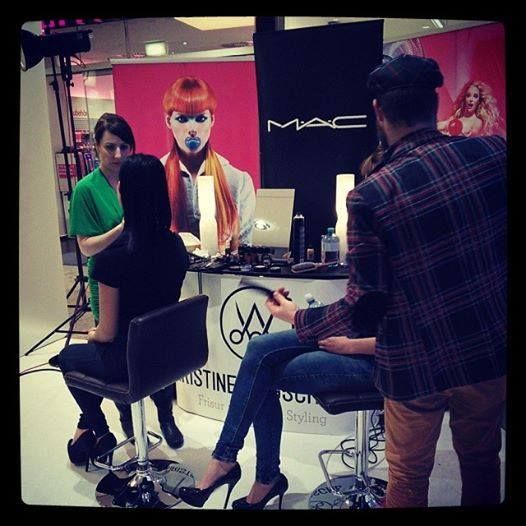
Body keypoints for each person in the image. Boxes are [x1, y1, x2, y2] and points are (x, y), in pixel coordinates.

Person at [184, 54, 507, 510]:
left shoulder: (374, 194)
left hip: (413, 366)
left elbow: (364, 307)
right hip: (484, 355)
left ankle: (241, 469)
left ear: (378, 112)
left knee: (408, 481)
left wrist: (299, 317)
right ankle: (246, 470)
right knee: (482, 465)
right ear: (435, 102)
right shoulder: (494, 156)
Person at [57, 154, 189, 467]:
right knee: (93, 355)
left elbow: (106, 333)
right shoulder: (175, 246)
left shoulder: (110, 258)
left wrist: (92, 333)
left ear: (122, 192)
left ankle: (100, 430)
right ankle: (100, 429)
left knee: (66, 358)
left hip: (129, 361)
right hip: (168, 356)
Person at [161, 76, 256, 252]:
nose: (192, 129)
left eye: (200, 118)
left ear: (212, 120)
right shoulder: (155, 177)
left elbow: (244, 248)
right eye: (182, 119)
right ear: (168, 121)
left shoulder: (237, 180)